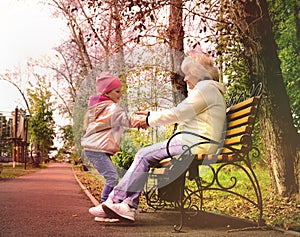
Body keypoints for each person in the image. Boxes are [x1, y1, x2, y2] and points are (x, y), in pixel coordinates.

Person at [89, 52, 226, 222]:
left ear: (198, 74)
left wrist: (147, 119)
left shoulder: (206, 88)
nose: (185, 79)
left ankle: (114, 200)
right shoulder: (207, 89)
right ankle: (127, 206)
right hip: (194, 141)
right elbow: (181, 112)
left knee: (144, 154)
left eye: (188, 74)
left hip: (195, 142)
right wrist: (150, 115)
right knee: (145, 156)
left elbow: (178, 113)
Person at [81, 72, 146, 222]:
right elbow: (127, 119)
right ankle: (104, 209)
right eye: (117, 91)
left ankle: (105, 208)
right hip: (96, 149)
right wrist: (146, 120)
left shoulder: (103, 106)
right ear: (107, 92)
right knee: (112, 177)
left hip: (95, 149)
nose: (121, 94)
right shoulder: (111, 108)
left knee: (112, 177)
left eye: (121, 91)